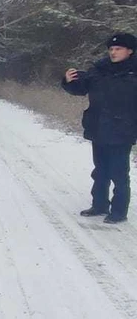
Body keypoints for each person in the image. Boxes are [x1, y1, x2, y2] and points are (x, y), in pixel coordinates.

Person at [62, 32, 137, 223]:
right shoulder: (99, 69)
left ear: (130, 51)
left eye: (118, 49)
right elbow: (80, 89)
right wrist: (69, 82)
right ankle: (99, 205)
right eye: (111, 49)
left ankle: (119, 212)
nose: (113, 52)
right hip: (98, 127)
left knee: (119, 173)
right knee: (100, 170)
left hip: (123, 129)